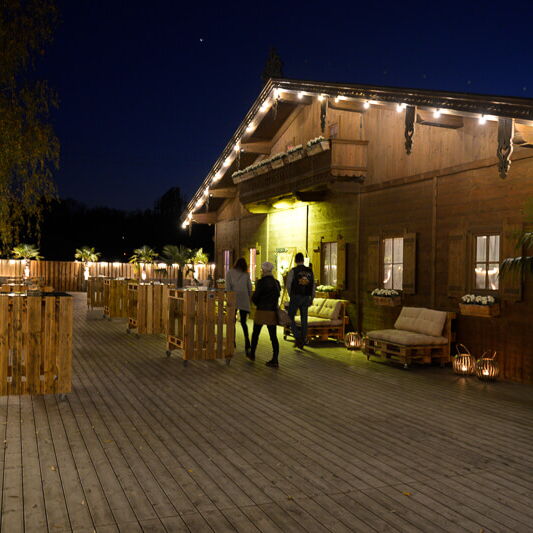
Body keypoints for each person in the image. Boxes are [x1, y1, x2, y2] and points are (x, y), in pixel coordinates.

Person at [249, 261, 281, 368]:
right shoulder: (276, 283)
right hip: (272, 312)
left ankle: (252, 354)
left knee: (255, 334)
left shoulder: (261, 282)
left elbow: (255, 297)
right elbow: (277, 295)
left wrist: (258, 303)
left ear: (263, 270)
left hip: (261, 311)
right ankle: (275, 359)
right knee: (273, 337)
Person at [286, 252, 315, 349]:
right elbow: (313, 285)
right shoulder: (310, 271)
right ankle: (303, 339)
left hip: (295, 296)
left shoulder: (293, 271)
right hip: (306, 296)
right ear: (303, 260)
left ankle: (298, 337)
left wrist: (291, 295)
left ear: (295, 260)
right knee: (304, 319)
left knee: (290, 316)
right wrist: (312, 297)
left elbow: (288, 284)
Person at [225, 257, 252, 356]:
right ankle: (247, 342)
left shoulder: (229, 273)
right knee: (244, 322)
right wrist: (249, 298)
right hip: (244, 298)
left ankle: (233, 341)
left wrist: (228, 298)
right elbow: (250, 287)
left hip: (233, 298)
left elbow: (227, 287)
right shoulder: (246, 274)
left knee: (232, 322)